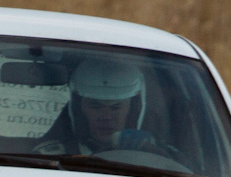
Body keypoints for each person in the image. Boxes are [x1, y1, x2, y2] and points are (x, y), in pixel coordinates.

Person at [34, 55, 164, 156]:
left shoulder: (159, 157)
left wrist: (151, 151)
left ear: (132, 110)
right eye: (95, 106)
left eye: (115, 107)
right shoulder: (51, 158)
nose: (106, 116)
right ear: (80, 109)